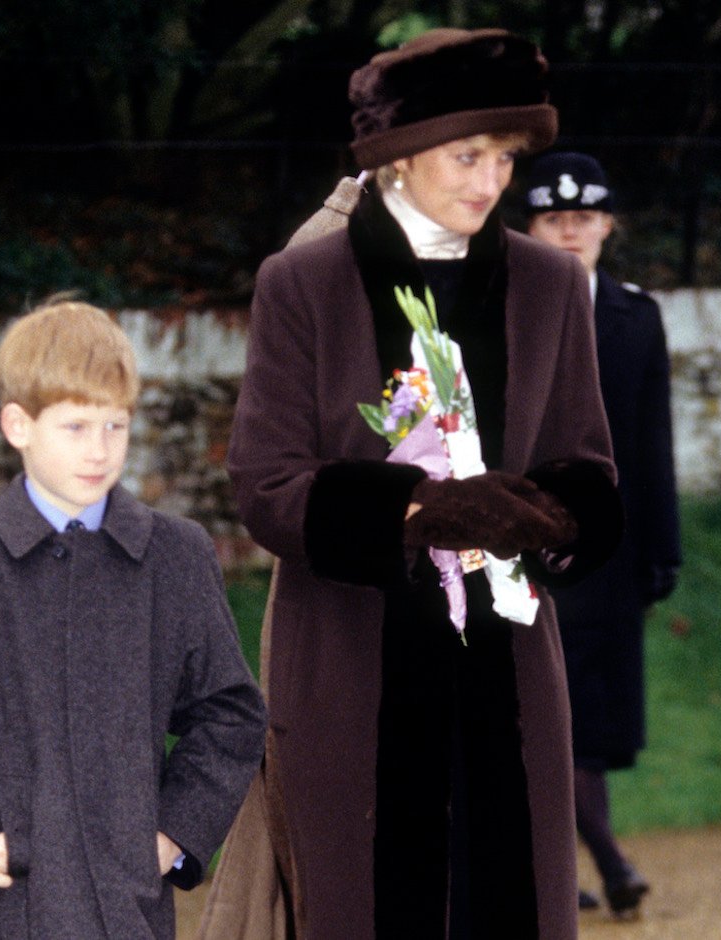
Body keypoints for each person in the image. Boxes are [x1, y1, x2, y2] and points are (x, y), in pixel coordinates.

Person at [226, 28, 622, 940]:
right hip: (350, 672)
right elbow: (266, 484)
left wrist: (551, 515)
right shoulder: (304, 283)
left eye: (506, 157)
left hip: (510, 678)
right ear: (397, 157)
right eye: (467, 154)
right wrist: (415, 510)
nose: (490, 181)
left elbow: (592, 468)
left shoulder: (551, 284)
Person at [0, 300, 268, 939]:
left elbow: (231, 713)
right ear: (18, 425)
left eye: (116, 425)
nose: (100, 450)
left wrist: (174, 832)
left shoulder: (176, 554)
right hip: (12, 909)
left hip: (131, 906)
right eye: (76, 427)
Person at [523, 152, 681, 918]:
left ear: (608, 226)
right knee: (555, 713)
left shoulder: (637, 317)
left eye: (583, 218)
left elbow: (653, 443)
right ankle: (610, 863)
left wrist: (662, 550)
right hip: (532, 544)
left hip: (613, 551)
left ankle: (568, 866)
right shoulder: (505, 311)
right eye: (554, 219)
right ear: (529, 227)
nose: (570, 232)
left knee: (593, 722)